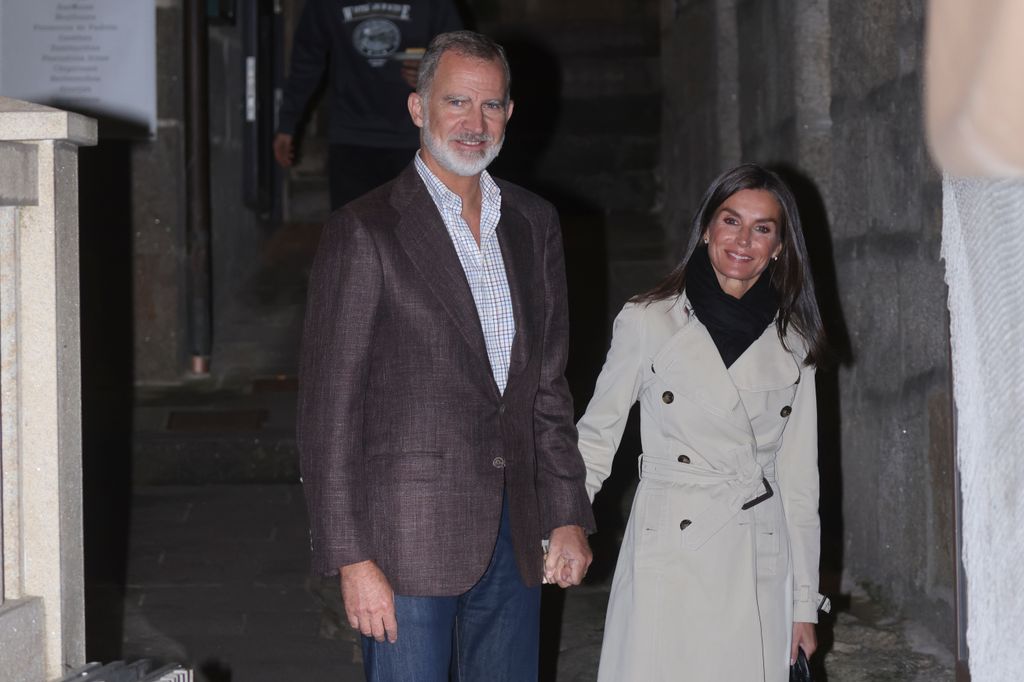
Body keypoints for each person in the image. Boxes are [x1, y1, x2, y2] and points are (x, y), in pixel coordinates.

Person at [296, 30, 595, 681]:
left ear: (510, 115)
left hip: (514, 536)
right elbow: (329, 413)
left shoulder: (533, 222)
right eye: (457, 102)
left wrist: (567, 512)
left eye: (490, 106)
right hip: (402, 546)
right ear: (417, 108)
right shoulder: (364, 230)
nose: (474, 122)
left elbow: (546, 385)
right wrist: (352, 559)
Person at [577, 164, 832, 681]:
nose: (743, 240)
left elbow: (801, 485)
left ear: (780, 245)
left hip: (758, 549)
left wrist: (804, 604)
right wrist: (565, 525)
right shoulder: (650, 320)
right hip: (671, 542)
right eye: (730, 221)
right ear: (707, 230)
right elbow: (597, 436)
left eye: (762, 228)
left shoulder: (795, 345)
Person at [274, 0, 462, 210]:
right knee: (352, 234)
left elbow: (461, 56)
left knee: (416, 234)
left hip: (417, 138)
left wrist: (431, 72)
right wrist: (287, 124)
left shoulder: (436, 5)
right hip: (351, 138)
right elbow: (306, 62)